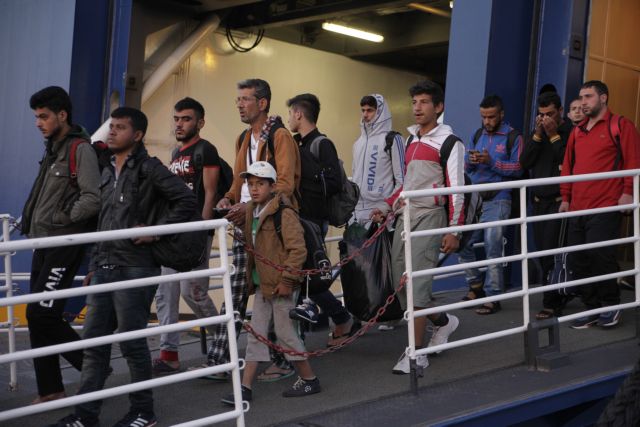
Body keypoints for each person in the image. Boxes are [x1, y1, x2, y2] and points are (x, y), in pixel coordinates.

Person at [47, 107, 198, 427]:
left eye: (120, 127)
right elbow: (103, 221)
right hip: (105, 266)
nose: (112, 131)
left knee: (132, 342)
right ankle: (86, 415)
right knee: (94, 344)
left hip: (136, 267)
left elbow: (187, 201)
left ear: (138, 135)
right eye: (111, 126)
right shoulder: (104, 171)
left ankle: (144, 412)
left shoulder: (149, 168)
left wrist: (156, 230)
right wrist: (95, 263)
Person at [203, 78, 301, 381]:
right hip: (247, 225)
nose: (240, 105)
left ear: (262, 103)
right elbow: (238, 183)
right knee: (241, 290)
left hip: (270, 227)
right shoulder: (244, 138)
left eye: (245, 99)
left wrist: (249, 207)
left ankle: (240, 360)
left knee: (266, 292)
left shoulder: (281, 136)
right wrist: (228, 198)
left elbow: (285, 185)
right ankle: (224, 359)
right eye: (238, 100)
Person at [371, 80, 462, 375]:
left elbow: (456, 190)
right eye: (414, 102)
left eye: (424, 102)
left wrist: (454, 230)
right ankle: (444, 322)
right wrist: (387, 207)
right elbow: (406, 186)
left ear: (439, 107)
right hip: (404, 218)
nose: (417, 108)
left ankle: (416, 354)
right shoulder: (411, 141)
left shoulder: (450, 143)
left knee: (417, 285)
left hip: (431, 217)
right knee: (402, 285)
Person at [21, 86, 101, 404]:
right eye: (36, 117)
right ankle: (51, 389)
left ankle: (94, 369)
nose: (38, 123)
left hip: (64, 242)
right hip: (44, 242)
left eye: (44, 116)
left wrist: (62, 219)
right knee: (39, 316)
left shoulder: (80, 149)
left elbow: (92, 198)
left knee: (41, 314)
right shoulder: (53, 148)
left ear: (62, 115)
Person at [221, 161, 321, 405]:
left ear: (273, 186)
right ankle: (245, 387)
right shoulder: (250, 211)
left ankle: (309, 379)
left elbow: (297, 250)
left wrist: (287, 280)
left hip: (281, 285)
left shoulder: (284, 213)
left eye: (260, 184)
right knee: (256, 335)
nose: (254, 189)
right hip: (263, 285)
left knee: (286, 335)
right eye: (250, 184)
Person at [560, 80, 640, 329]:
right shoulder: (577, 131)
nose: (583, 102)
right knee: (577, 259)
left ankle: (610, 305)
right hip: (578, 206)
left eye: (589, 97)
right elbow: (569, 165)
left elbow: (633, 161)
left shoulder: (621, 125)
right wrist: (565, 198)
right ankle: (591, 307)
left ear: (603, 98)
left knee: (600, 256)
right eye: (581, 97)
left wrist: (628, 193)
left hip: (606, 205)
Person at [152, 97, 220, 375]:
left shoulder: (206, 150)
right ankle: (169, 354)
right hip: (174, 233)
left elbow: (210, 194)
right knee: (165, 292)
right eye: (177, 119)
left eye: (186, 119)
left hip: (195, 234)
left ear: (200, 122)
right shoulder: (175, 154)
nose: (179, 124)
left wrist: (200, 231)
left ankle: (223, 340)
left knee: (194, 292)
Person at [286, 93, 354, 345]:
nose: (289, 119)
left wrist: (305, 164)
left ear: (298, 114)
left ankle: (336, 320)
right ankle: (340, 318)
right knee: (305, 278)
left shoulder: (321, 144)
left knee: (309, 279)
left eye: (290, 113)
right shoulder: (297, 143)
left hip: (313, 221)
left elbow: (333, 183)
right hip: (299, 220)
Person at [458, 95, 523, 315]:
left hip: (499, 198)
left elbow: (518, 169)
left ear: (501, 114)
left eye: (491, 117)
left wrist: (491, 162)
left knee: (492, 246)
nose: (487, 121)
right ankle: (476, 286)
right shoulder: (477, 134)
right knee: (461, 242)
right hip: (475, 199)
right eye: (484, 117)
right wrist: (470, 161)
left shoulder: (514, 136)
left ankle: (493, 296)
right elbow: (466, 168)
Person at [520, 92, 573, 319]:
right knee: (542, 253)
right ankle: (556, 294)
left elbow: (567, 160)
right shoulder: (538, 134)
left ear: (560, 111)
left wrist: (553, 135)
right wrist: (538, 134)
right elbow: (524, 162)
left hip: (558, 202)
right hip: (537, 202)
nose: (545, 118)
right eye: (541, 114)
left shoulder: (570, 132)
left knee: (552, 252)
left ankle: (551, 302)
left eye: (550, 114)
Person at [352, 94, 405, 224]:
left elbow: (402, 181)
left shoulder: (393, 139)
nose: (365, 115)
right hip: (356, 212)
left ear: (380, 111)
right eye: (363, 110)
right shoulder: (358, 143)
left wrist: (387, 208)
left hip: (380, 211)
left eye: (370, 110)